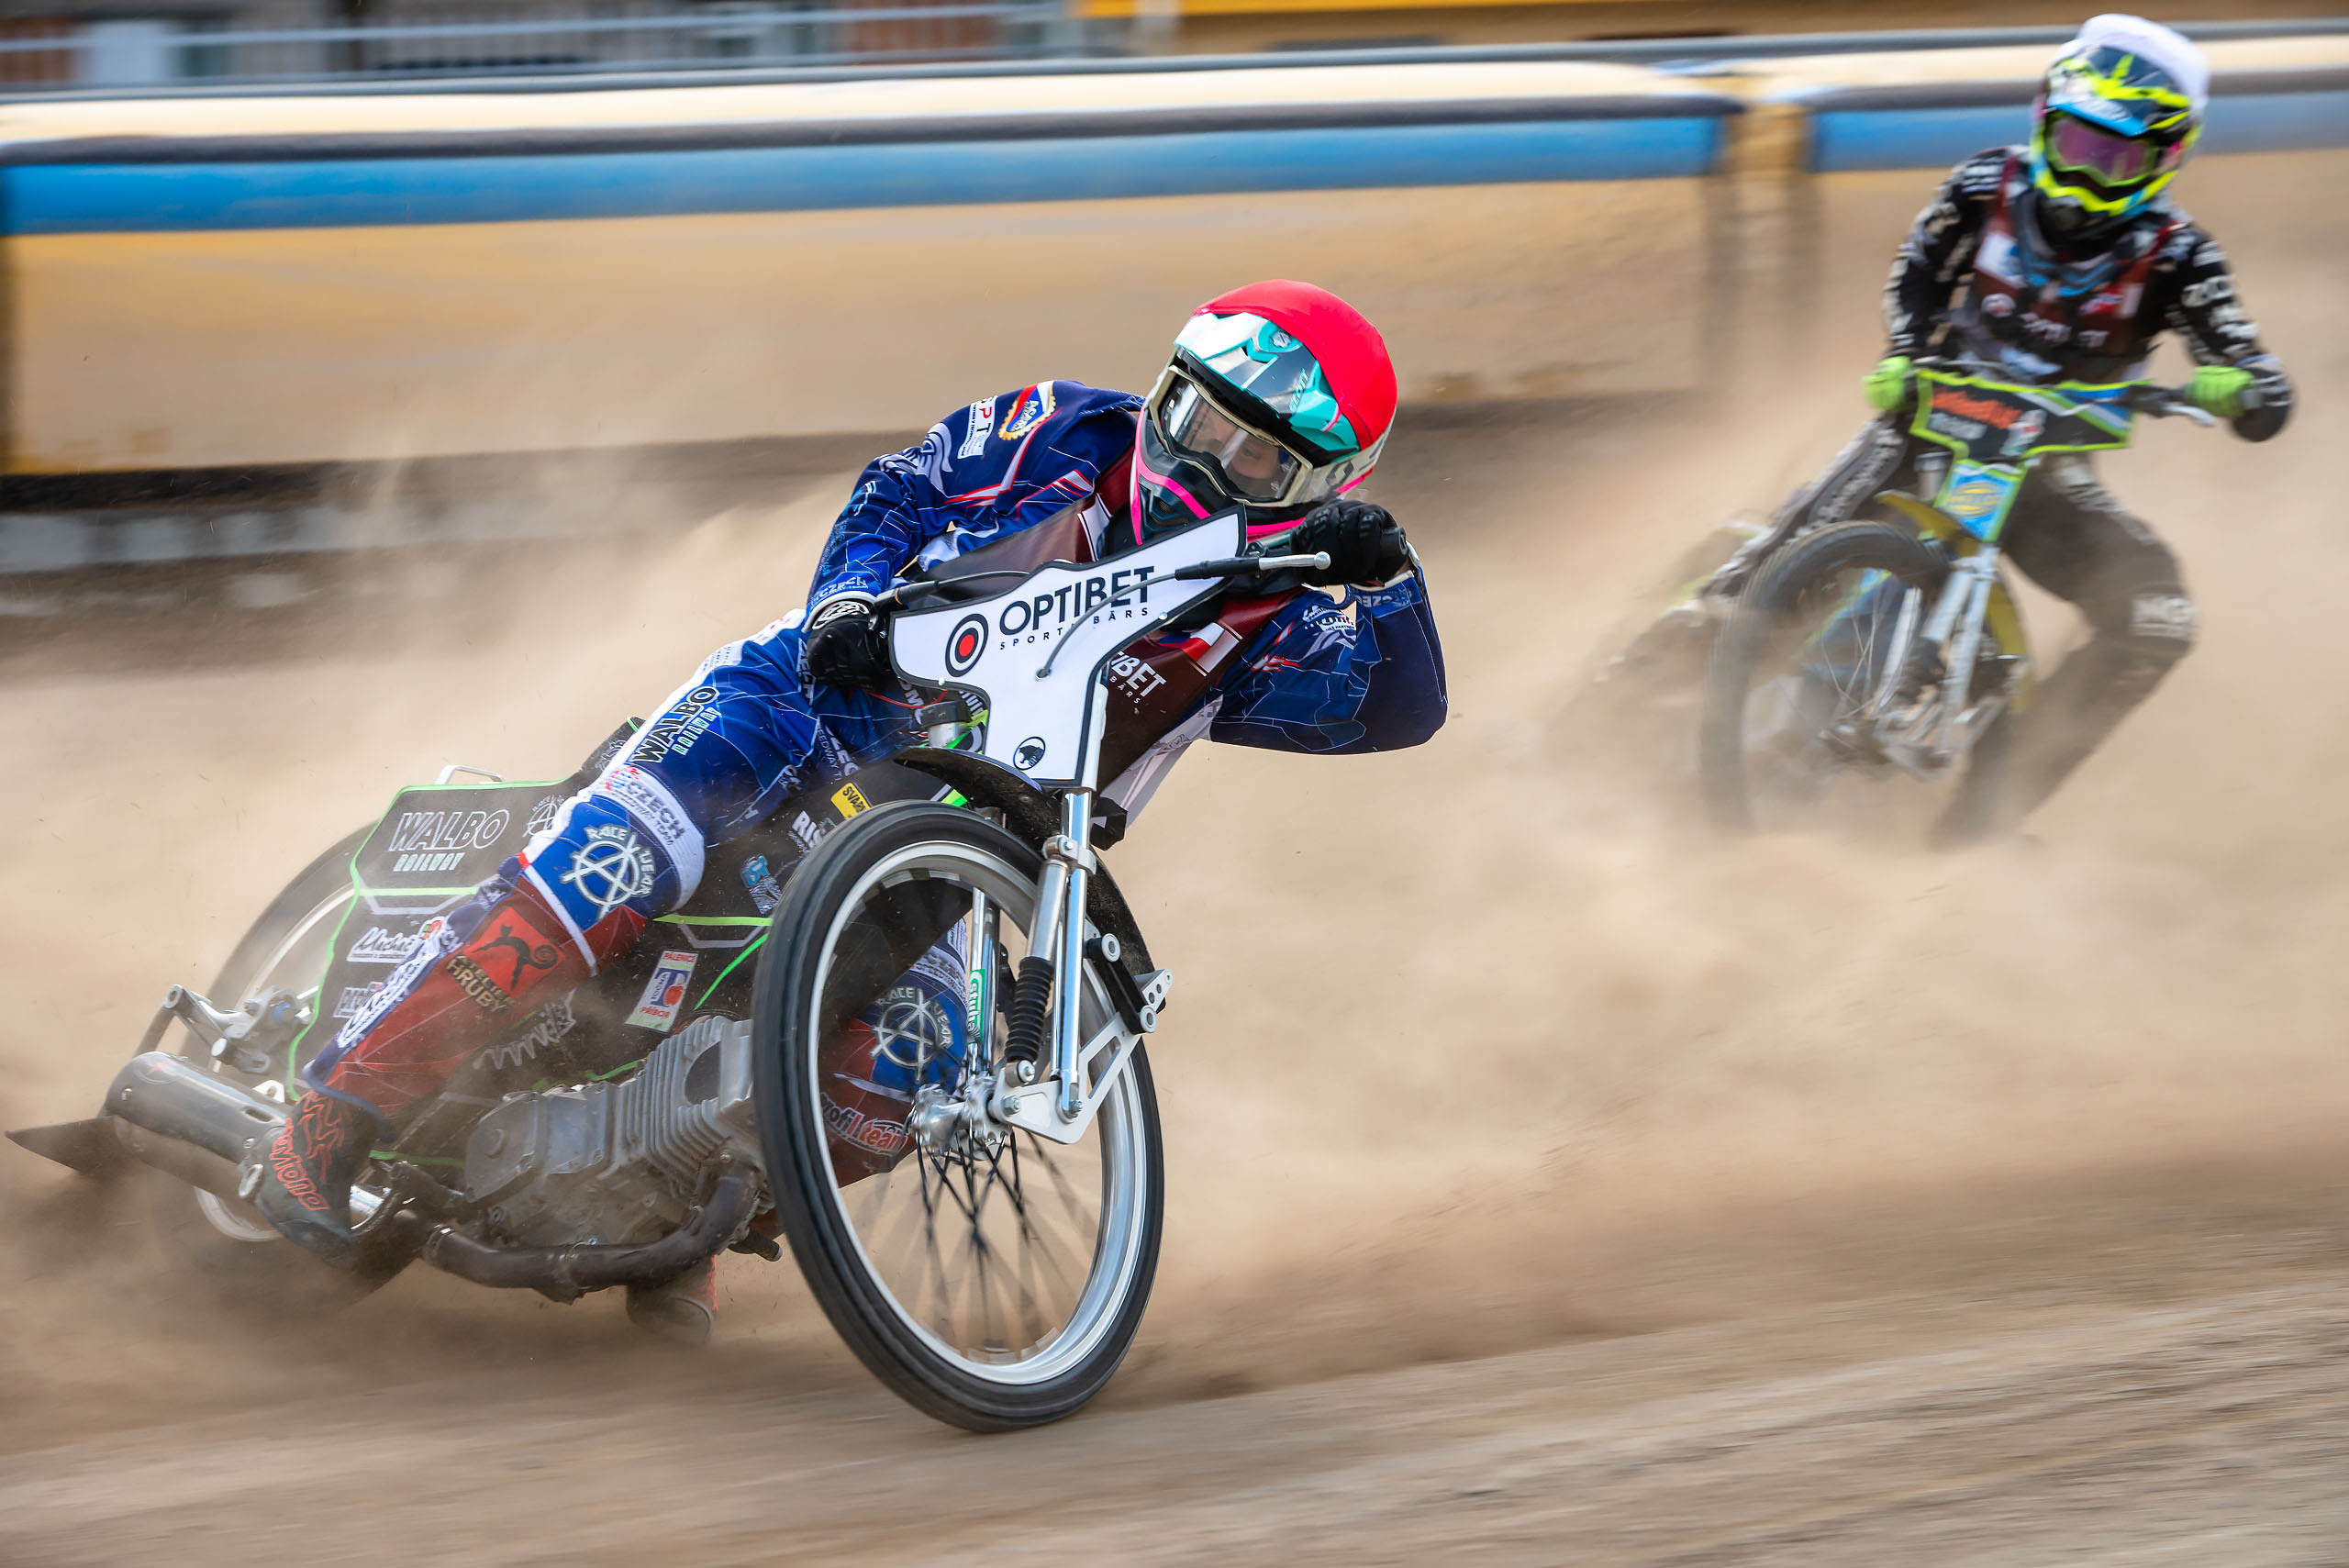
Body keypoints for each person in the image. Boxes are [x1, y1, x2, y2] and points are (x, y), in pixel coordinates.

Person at [250, 280, 1448, 1334]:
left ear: (1324, 487)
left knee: (899, 1090)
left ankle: (665, 1213)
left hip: (953, 851)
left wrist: (1389, 574)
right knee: (595, 886)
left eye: (1256, 462)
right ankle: (329, 1114)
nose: (1202, 465)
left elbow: (1405, 710)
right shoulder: (1061, 428)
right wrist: (847, 602)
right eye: (1195, 421)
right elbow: (899, 488)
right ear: (1162, 391)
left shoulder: (1277, 622)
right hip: (792, 710)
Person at [1638, 14, 2291, 838]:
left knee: (2159, 617)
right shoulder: (1984, 189)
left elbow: (2253, 366)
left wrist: (2249, 390)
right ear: (2044, 118)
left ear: (2168, 156)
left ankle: (1986, 819)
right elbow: (1916, 272)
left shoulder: (2181, 256)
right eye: (2079, 143)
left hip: (2046, 475)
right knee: (1765, 574)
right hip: (1928, 430)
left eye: (2119, 159)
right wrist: (1907, 352)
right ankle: (1613, 705)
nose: (2090, 176)